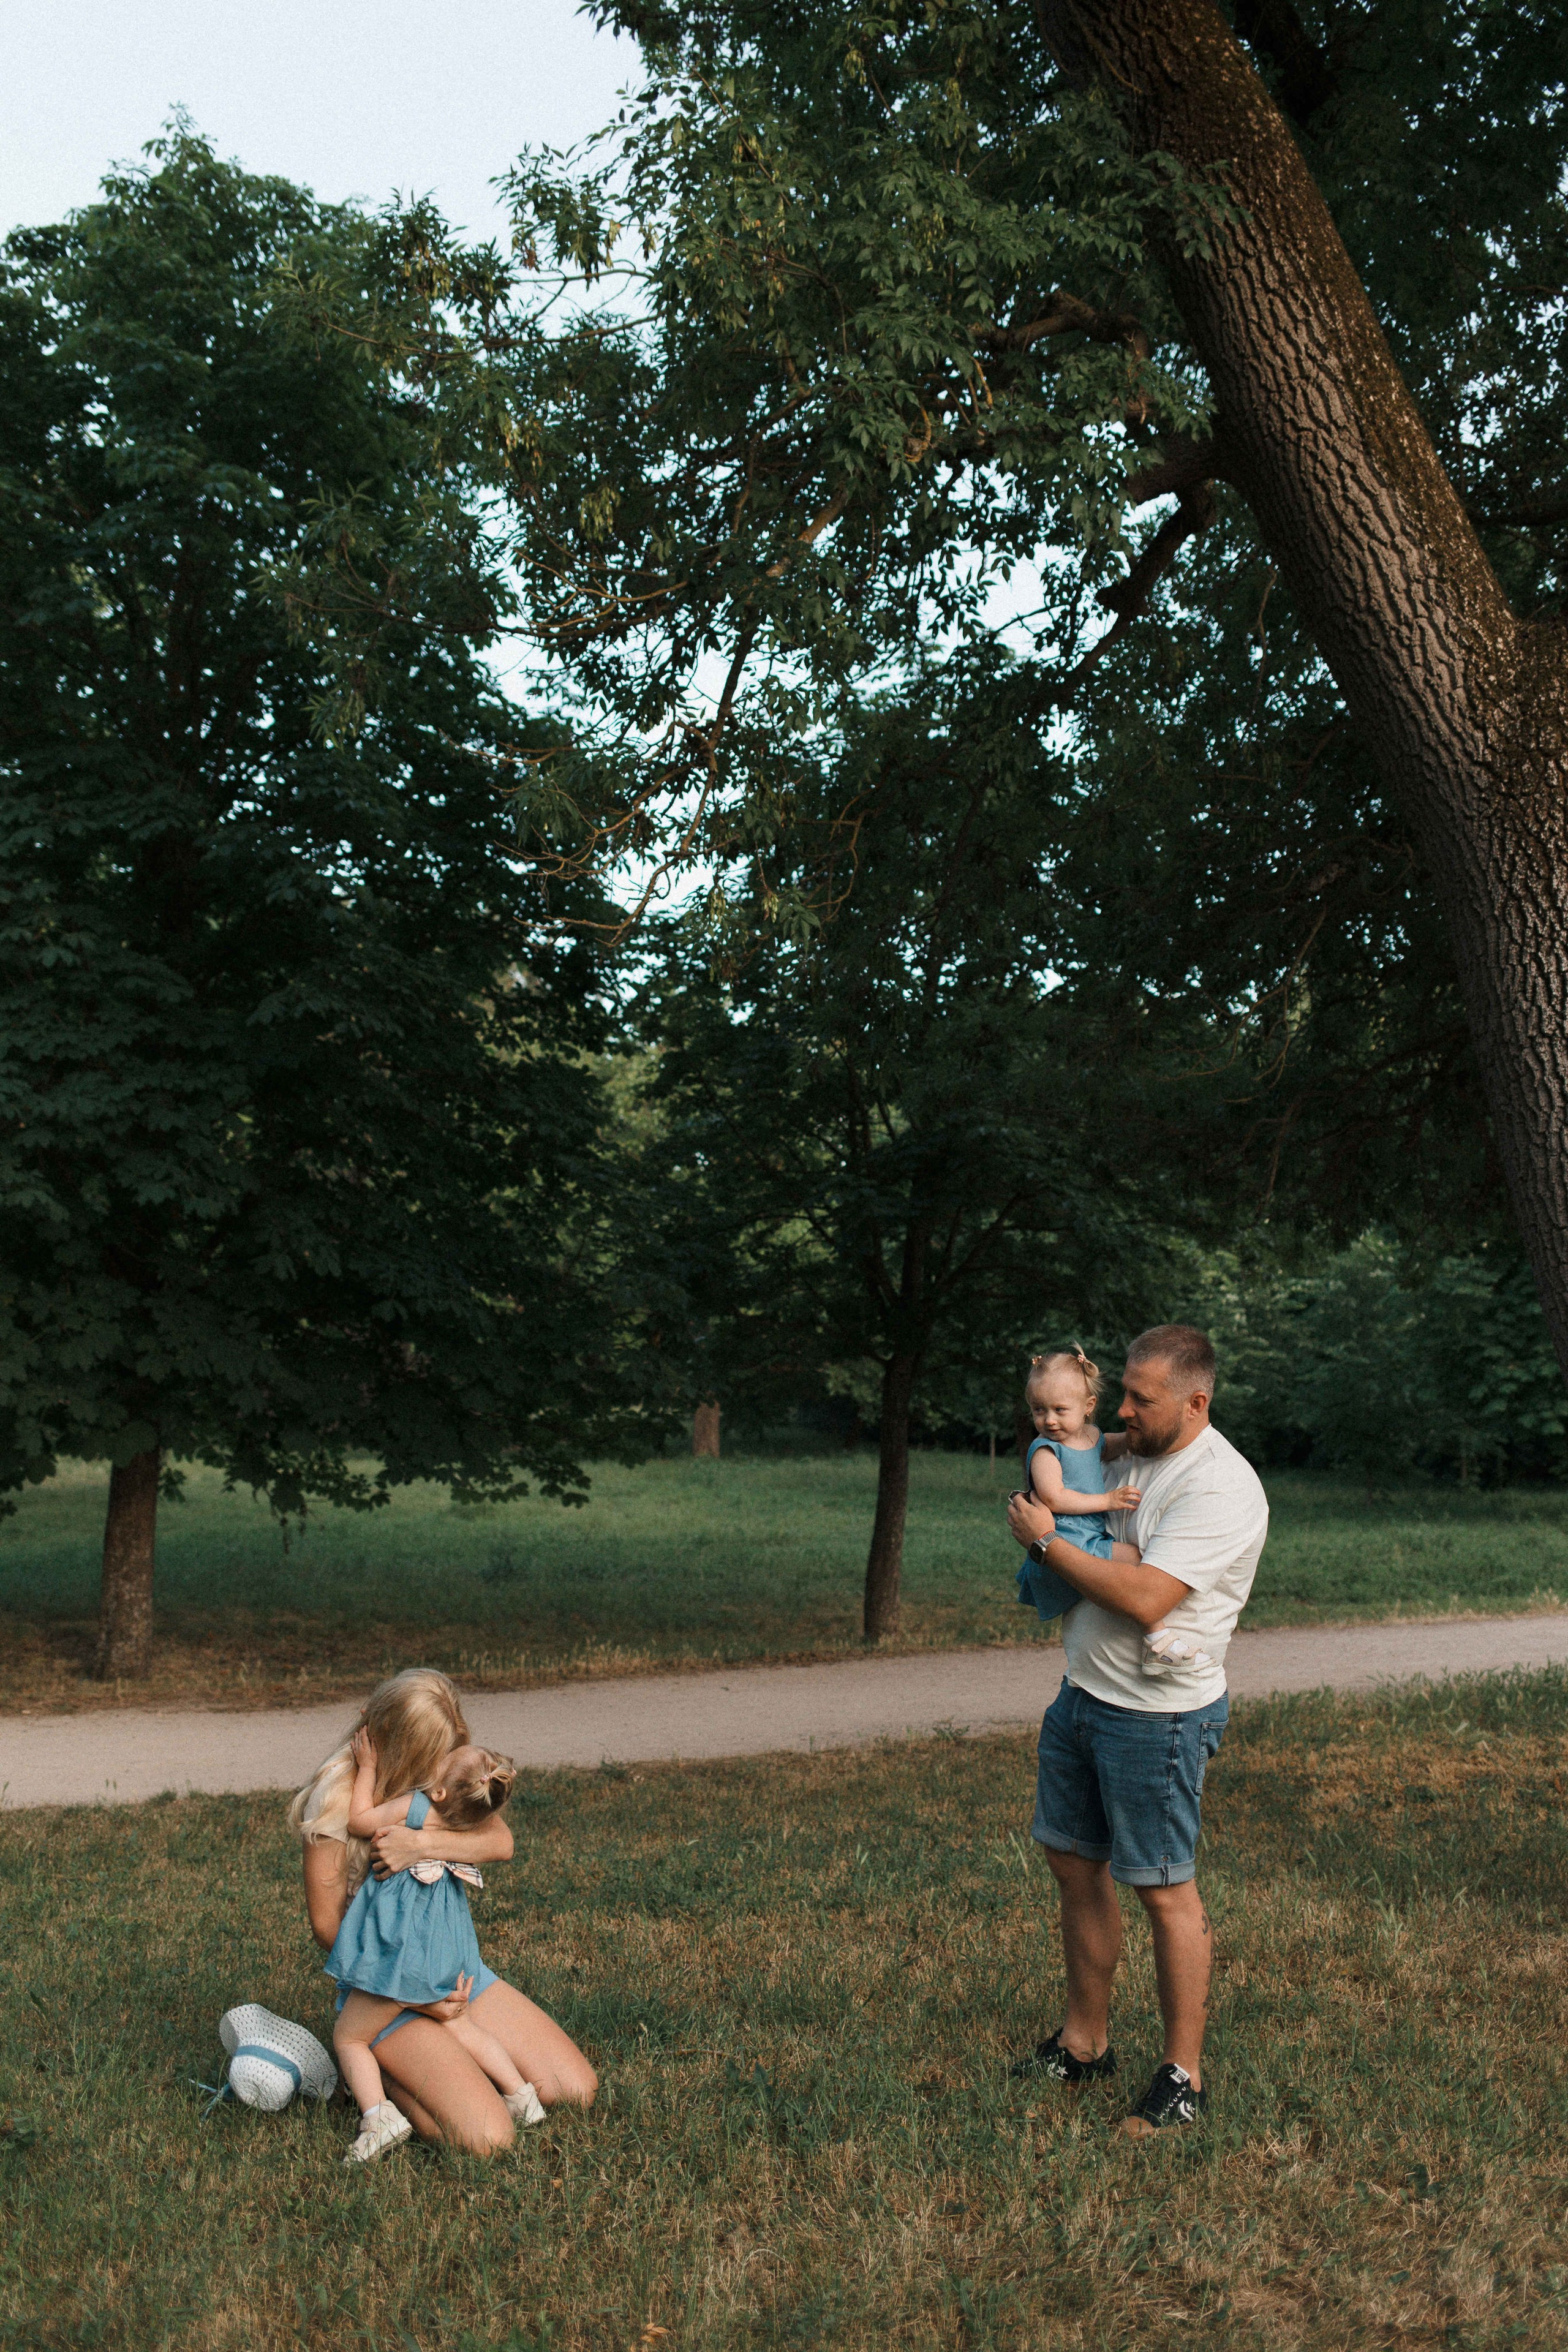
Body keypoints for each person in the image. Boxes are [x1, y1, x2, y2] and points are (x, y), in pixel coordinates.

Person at [1006, 1325, 1268, 2136]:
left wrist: (1046, 1542)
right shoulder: (1134, 1452)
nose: (1123, 1411)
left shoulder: (1219, 1487)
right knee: (1075, 1865)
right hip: (1083, 1694)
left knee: (1162, 1889)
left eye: (1141, 1400)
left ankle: (1182, 2078)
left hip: (1158, 1717)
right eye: (1120, 1391)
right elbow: (1083, 1456)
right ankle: (1085, 2043)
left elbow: (1149, 1599)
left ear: (1197, 1402)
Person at [290, 1667, 597, 2155]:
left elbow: (501, 1840)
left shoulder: (436, 1785)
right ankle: (385, 2077)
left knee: (573, 2089)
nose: (440, 1769)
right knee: (488, 2139)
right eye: (431, 1756)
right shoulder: (337, 1803)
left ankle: (447, 2065)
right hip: (386, 1981)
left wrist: (420, 1845)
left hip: (450, 1968)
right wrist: (416, 1995)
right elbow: (329, 1928)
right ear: (392, 1740)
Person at [326, 1727, 548, 2163]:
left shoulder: (415, 1807)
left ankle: (377, 2117)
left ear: (441, 1789)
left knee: (349, 2037)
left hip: (403, 1955)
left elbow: (358, 1822)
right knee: (462, 2025)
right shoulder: (469, 1821)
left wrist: (368, 1768)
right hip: (450, 1951)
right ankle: (521, 2095)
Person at [1019, 1348, 1215, 1678]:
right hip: (1070, 1535)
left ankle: (1157, 1640)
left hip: (1089, 1533)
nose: (1049, 1420)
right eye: (1039, 1410)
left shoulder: (1090, 1437)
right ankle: (1160, 1640)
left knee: (1136, 1564)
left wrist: (1141, 1437)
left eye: (1059, 1410)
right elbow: (1055, 1498)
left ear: (1088, 1408)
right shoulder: (1046, 1450)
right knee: (1138, 1561)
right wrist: (1107, 1501)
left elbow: (1108, 1445)